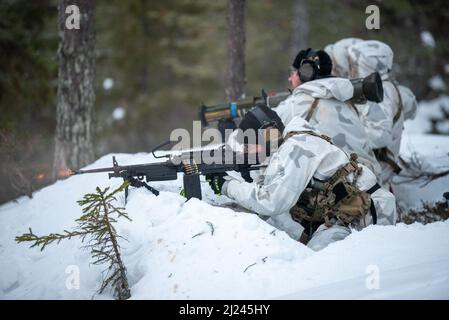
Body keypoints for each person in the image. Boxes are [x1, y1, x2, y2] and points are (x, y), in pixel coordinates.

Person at [208, 104, 397, 250]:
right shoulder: (287, 145)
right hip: (343, 216)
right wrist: (247, 172)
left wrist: (227, 185)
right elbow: (272, 195)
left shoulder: (296, 147)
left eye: (250, 144)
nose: (249, 151)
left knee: (318, 266)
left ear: (267, 135)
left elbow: (271, 202)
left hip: (367, 214)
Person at [273, 48, 382, 179]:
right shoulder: (349, 101)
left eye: (293, 72)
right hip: (368, 181)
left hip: (339, 189)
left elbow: (263, 137)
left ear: (304, 73)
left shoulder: (295, 103)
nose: (290, 78)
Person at [346, 40, 418, 187]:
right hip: (374, 177)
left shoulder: (379, 95)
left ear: (367, 65)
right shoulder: (389, 88)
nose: (351, 68)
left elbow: (379, 137)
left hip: (370, 183)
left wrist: (343, 138)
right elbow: (411, 109)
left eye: (354, 63)